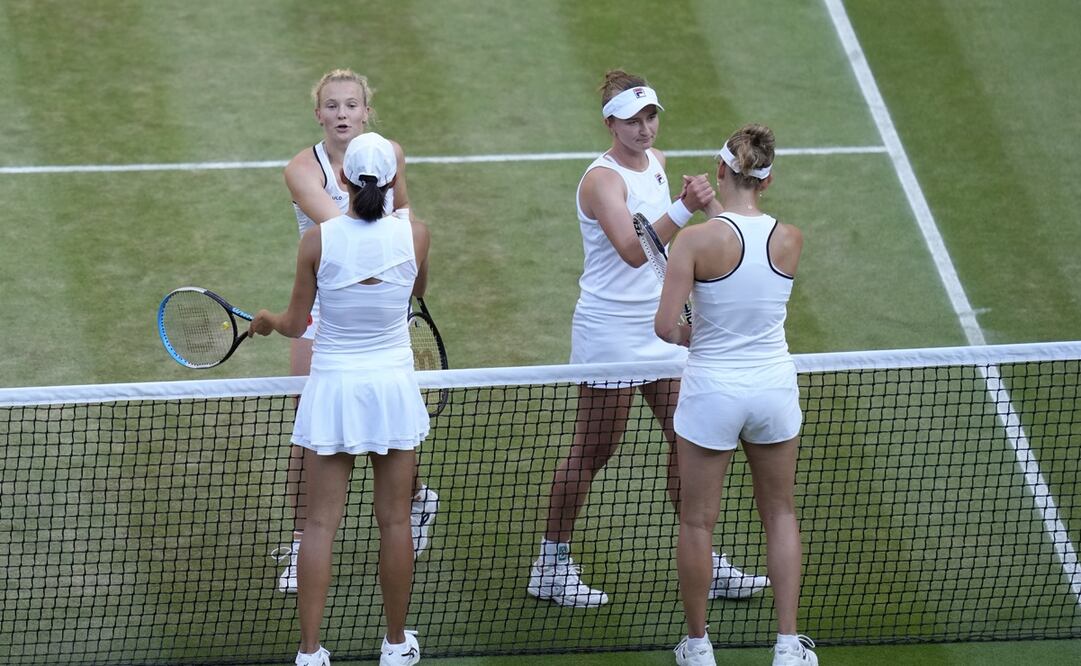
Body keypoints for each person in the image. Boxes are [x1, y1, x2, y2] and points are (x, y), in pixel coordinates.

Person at [528, 70, 769, 608]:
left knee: (689, 440)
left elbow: (664, 251)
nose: (644, 128)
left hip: (660, 330)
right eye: (632, 120)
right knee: (593, 451)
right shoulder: (602, 181)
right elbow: (632, 250)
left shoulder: (656, 163)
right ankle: (550, 564)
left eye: (650, 116)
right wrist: (685, 207)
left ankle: (704, 560)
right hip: (609, 335)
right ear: (610, 124)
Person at [251, 132, 428, 666]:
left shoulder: (318, 241)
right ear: (393, 180)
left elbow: (295, 323)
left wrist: (266, 321)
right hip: (391, 390)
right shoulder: (416, 235)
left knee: (319, 525)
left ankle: (310, 652)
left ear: (344, 179)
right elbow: (416, 292)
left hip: (333, 391)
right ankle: (395, 645)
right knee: (395, 522)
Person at [273, 69, 438, 595]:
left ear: (367, 111)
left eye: (351, 104)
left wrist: (395, 282)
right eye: (332, 105)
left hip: (376, 302)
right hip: (325, 299)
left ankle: (417, 499)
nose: (342, 113)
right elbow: (343, 231)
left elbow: (402, 209)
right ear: (318, 114)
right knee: (308, 425)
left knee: (391, 425)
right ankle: (301, 541)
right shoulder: (302, 170)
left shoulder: (391, 153)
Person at [657, 124, 816, 666]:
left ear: (721, 169)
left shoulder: (693, 242)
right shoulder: (791, 239)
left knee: (697, 522)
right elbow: (746, 260)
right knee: (780, 515)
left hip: (713, 393)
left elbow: (665, 327)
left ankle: (699, 646)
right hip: (772, 390)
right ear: (766, 180)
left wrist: (690, 331)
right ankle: (788, 646)